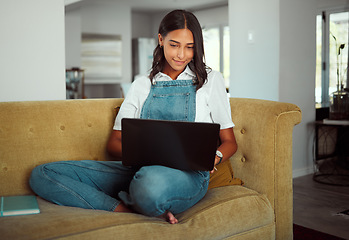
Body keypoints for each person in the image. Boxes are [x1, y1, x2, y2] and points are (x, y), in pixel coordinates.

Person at [29, 9, 237, 224]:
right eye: (174, 45)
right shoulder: (142, 84)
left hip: (186, 176)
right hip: (139, 170)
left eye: (190, 47)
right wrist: (153, 156)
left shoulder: (211, 80)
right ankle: (124, 208)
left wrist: (214, 158)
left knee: (149, 185)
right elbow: (114, 143)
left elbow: (230, 142)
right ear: (161, 40)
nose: (181, 55)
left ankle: (140, 197)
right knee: (43, 174)